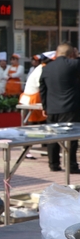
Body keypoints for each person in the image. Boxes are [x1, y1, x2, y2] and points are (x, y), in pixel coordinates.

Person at [39, 43, 80, 173]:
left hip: (52, 108)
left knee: (52, 137)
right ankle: (71, 166)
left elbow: (42, 89)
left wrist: (45, 107)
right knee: (71, 138)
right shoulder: (74, 64)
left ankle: (53, 164)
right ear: (71, 53)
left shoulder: (46, 68)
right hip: (70, 108)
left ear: (56, 53)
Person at [20, 52, 53, 125]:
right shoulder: (42, 69)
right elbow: (42, 86)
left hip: (34, 98)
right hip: (33, 99)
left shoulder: (41, 68)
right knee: (35, 123)